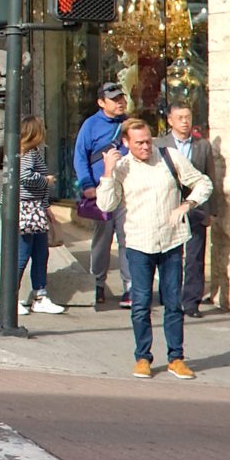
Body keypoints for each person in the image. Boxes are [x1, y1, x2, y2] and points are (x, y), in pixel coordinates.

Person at [99, 115, 211, 379]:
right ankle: (143, 357)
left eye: (148, 141)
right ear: (126, 143)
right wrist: (107, 172)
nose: (146, 147)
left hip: (170, 240)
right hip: (139, 243)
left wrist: (189, 203)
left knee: (173, 302)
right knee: (141, 304)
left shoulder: (169, 156)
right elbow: (106, 205)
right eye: (139, 143)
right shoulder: (122, 167)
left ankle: (176, 357)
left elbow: (203, 182)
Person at [72, 82, 132, 309]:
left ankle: (130, 286)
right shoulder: (91, 125)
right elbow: (80, 156)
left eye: (121, 98)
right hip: (101, 191)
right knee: (102, 239)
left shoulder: (129, 123)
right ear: (101, 103)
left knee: (128, 239)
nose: (120, 102)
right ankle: (98, 282)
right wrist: (87, 185)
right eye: (114, 99)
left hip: (127, 191)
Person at [163, 103, 218, 318]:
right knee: (171, 255)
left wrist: (211, 210)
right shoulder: (161, 145)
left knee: (195, 256)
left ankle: (192, 301)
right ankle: (171, 296)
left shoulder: (202, 146)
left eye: (188, 117)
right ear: (170, 121)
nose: (185, 121)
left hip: (196, 208)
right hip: (169, 207)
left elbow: (211, 178)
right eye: (180, 117)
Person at [15, 116, 65, 318]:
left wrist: (46, 207)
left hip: (34, 208)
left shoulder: (28, 152)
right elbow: (25, 177)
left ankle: (40, 295)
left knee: (40, 254)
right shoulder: (28, 153)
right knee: (24, 254)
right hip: (28, 209)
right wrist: (46, 180)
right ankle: (13, 296)